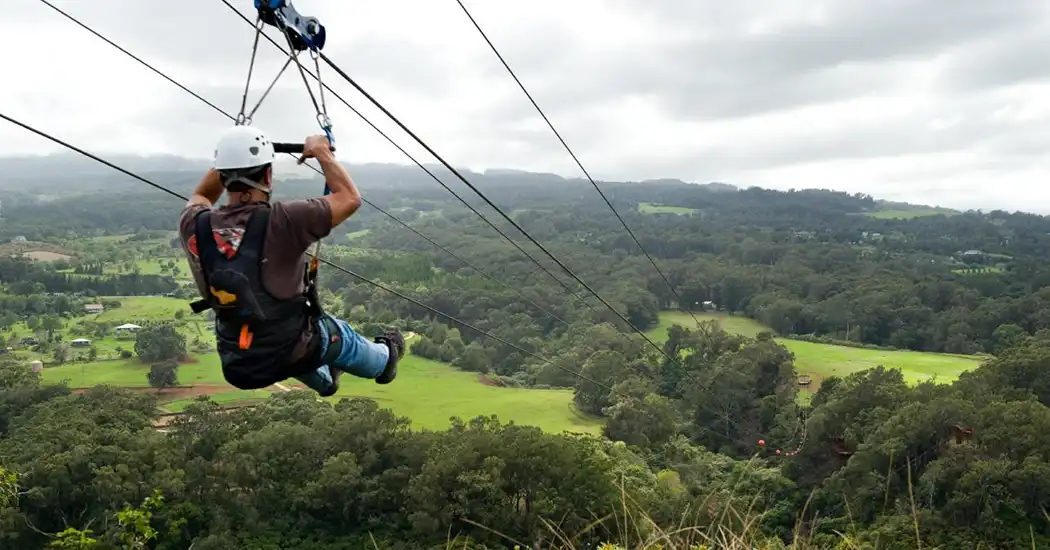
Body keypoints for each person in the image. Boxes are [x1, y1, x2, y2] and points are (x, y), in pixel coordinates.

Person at [177, 125, 403, 397]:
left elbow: (201, 196)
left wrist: (229, 157)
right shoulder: (283, 220)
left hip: (239, 360)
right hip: (292, 347)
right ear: (268, 174)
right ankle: (385, 360)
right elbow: (350, 199)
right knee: (337, 336)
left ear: (222, 175)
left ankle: (327, 381)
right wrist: (322, 152)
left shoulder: (193, 224)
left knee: (283, 341)